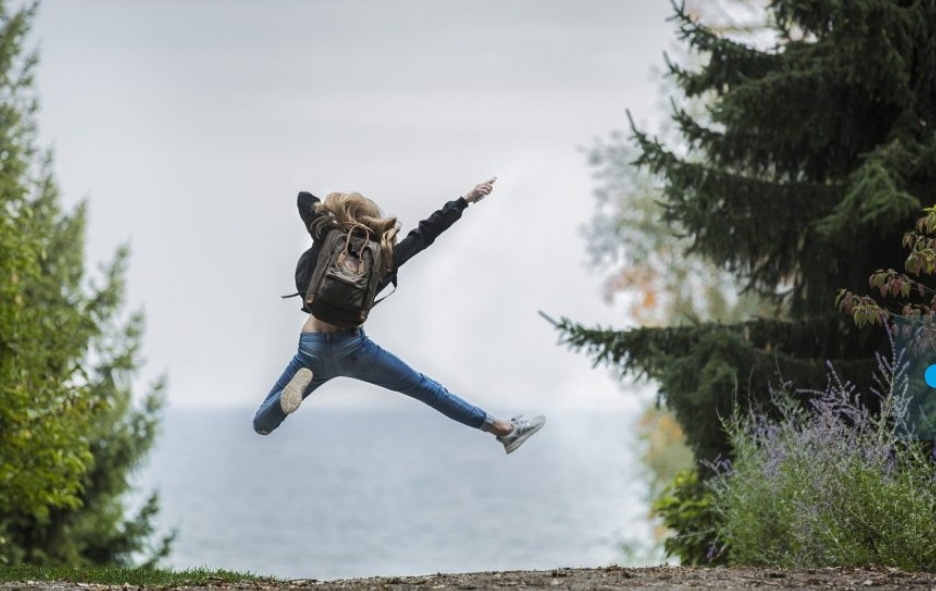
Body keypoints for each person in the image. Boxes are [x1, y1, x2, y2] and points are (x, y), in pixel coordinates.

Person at [252, 177, 546, 454]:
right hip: (354, 349)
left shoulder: (327, 237)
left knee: (261, 424)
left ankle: (284, 402)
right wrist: (465, 200)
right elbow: (425, 234)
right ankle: (503, 430)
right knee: (426, 389)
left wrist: (335, 215)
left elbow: (305, 199)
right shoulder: (382, 257)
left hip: (312, 348)